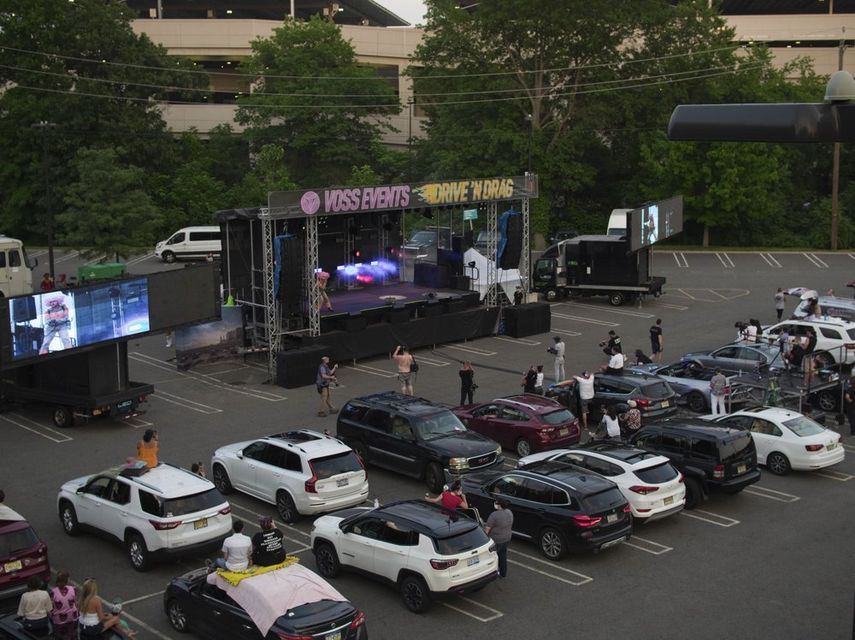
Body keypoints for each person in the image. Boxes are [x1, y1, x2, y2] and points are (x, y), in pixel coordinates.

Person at [484, 498, 513, 579]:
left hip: (497, 540)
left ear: (499, 505)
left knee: (492, 556)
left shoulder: (494, 515)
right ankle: (503, 573)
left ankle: (491, 573)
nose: (495, 504)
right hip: (507, 538)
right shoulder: (509, 512)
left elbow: (487, 529)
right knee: (503, 555)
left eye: (496, 503)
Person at [49, 571, 79, 640]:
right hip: (72, 617)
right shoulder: (73, 589)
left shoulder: (53, 592)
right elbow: (76, 603)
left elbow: (51, 607)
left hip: (58, 621)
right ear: (67, 581)